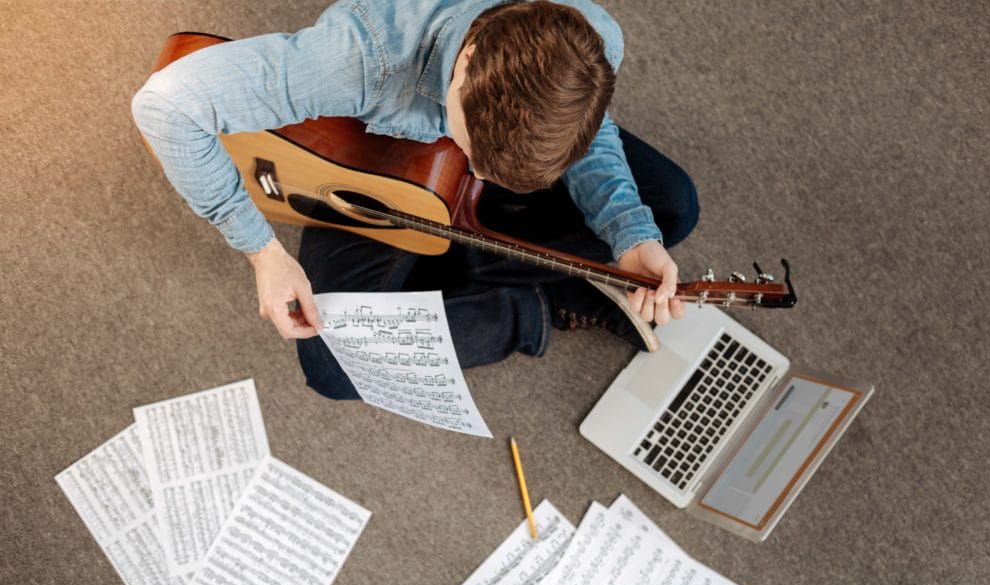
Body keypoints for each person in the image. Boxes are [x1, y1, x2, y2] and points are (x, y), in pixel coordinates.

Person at [133, 0, 699, 400]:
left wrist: (630, 232)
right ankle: (538, 302)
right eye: (470, 147)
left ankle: (471, 250)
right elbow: (165, 106)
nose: (479, 172)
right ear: (470, 61)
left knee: (671, 208)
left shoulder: (595, 36)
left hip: (428, 180)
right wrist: (262, 251)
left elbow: (592, 133)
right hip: (371, 161)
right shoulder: (355, 60)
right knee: (334, 364)